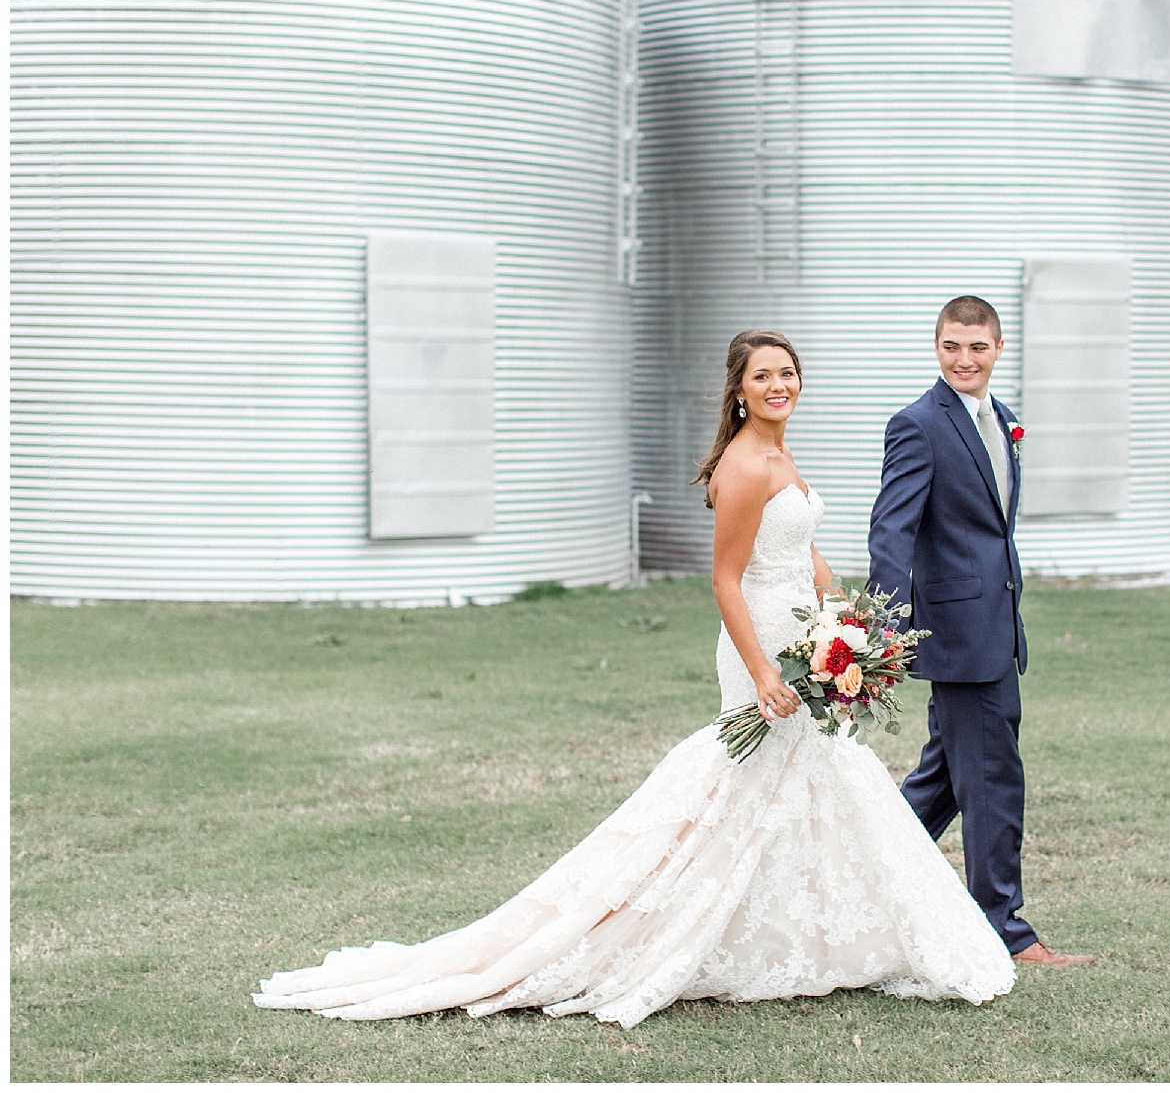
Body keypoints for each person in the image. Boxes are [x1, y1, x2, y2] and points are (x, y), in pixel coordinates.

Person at [254, 330, 1015, 1028]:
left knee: (814, 781)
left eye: (788, 373)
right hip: (760, 640)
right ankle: (658, 926)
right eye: (764, 376)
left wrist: (847, 617)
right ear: (739, 390)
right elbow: (724, 578)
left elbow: (801, 550)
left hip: (808, 636)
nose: (779, 384)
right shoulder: (746, 462)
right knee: (741, 784)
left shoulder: (781, 453)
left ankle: (807, 940)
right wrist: (759, 670)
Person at [867, 296, 1094, 967]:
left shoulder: (1005, 418)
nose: (964, 360)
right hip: (957, 634)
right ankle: (1005, 930)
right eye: (952, 347)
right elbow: (892, 528)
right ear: (936, 347)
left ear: (997, 349)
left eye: (977, 347)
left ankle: (857, 873)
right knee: (993, 778)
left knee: (942, 780)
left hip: (997, 625)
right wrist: (888, 625)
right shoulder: (918, 424)